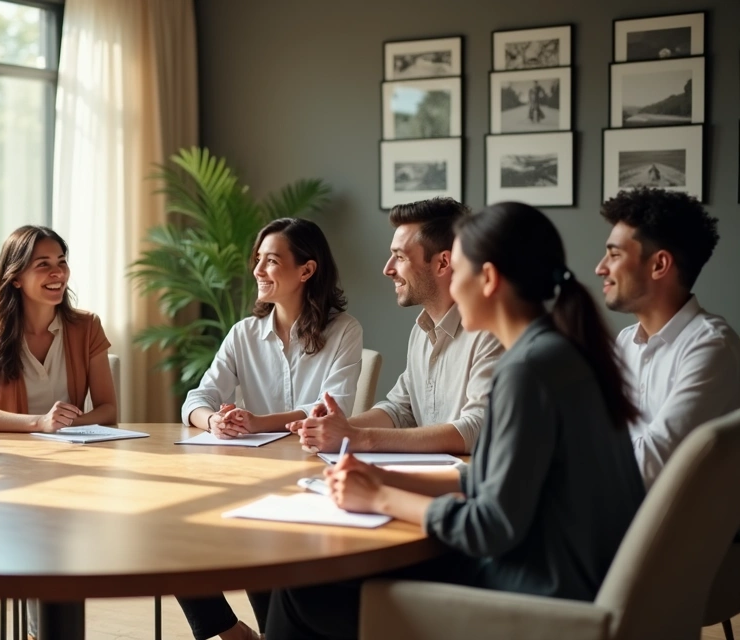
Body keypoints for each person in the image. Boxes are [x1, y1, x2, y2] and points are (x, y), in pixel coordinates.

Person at [267, 202, 646, 639]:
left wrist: (379, 499)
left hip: (543, 593)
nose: (452, 282)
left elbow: (490, 526)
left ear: (487, 279)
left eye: (459, 268)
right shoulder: (556, 354)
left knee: (303, 591)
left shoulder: (527, 372)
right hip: (565, 573)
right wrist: (379, 478)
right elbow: (490, 482)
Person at [179, 217, 363, 640]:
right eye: (258, 260)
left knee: (264, 552)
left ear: (306, 270)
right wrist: (216, 421)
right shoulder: (243, 333)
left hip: (313, 478)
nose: (258, 270)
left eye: (272, 260)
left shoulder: (344, 331)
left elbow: (328, 410)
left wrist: (260, 422)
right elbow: (195, 400)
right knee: (178, 538)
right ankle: (231, 632)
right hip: (248, 477)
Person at [288, 198, 503, 455]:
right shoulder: (422, 331)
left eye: (399, 256)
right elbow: (400, 408)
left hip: (463, 487)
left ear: (443, 263)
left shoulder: (489, 332)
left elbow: (478, 429)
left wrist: (357, 438)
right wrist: (333, 428)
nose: (387, 269)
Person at [596, 188, 740, 488]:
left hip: (671, 531)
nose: (601, 268)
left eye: (614, 255)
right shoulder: (625, 342)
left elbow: (650, 468)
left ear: (659, 265)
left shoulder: (711, 347)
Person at [0, 225, 117, 431]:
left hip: (74, 450)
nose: (58, 272)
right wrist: (40, 423)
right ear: (16, 278)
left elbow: (108, 409)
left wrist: (63, 425)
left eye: (61, 262)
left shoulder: (88, 326)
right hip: (14, 455)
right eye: (43, 264)